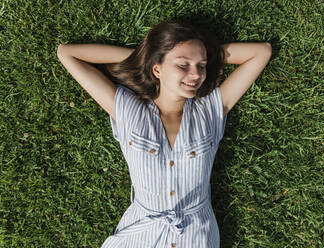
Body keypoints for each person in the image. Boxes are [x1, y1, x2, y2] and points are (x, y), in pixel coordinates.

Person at [57, 20, 272, 248]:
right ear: (157, 69)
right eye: (183, 65)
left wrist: (189, 57)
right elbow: (68, 54)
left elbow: (261, 52)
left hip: (195, 236)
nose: (196, 74)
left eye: (201, 65)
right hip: (141, 235)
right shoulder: (130, 111)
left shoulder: (209, 111)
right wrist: (144, 56)